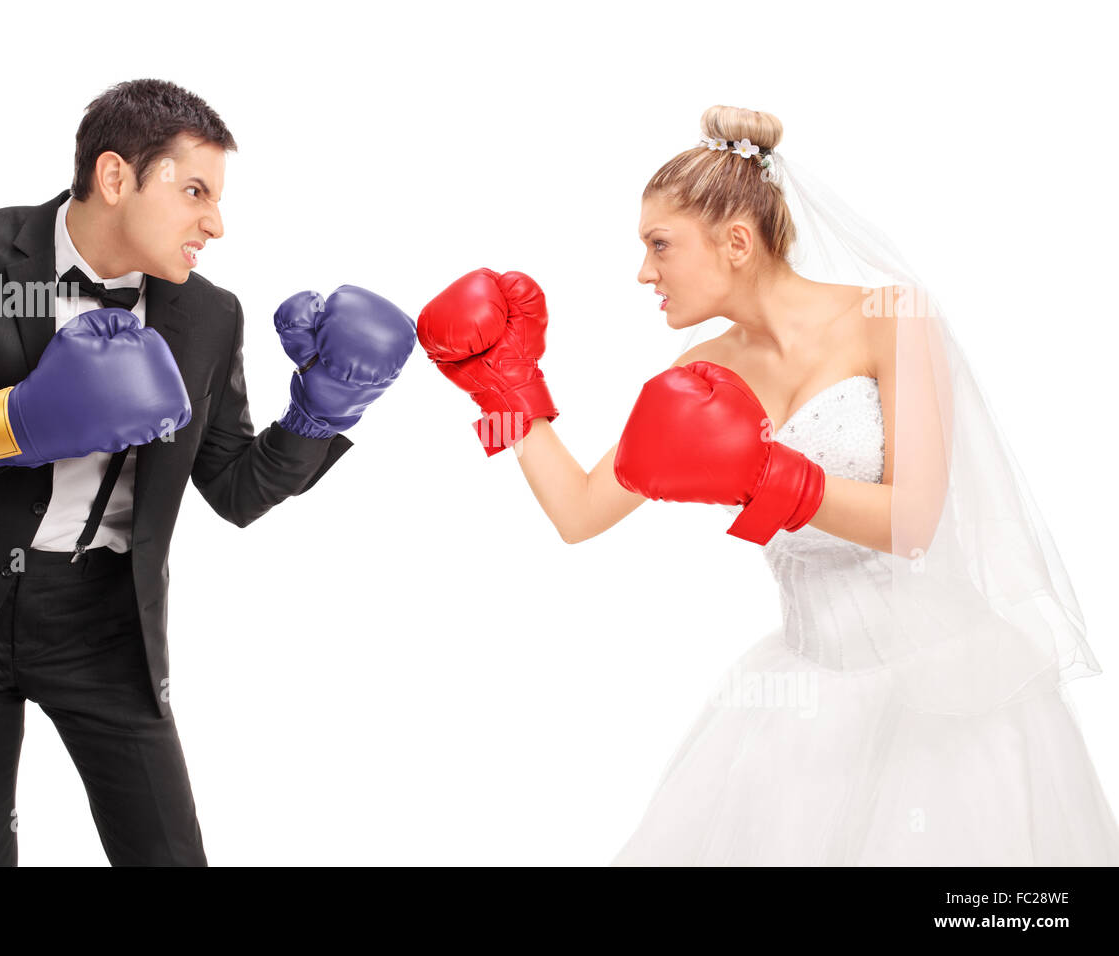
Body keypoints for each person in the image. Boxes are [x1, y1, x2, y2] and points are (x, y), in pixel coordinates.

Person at [416, 104, 1119, 865]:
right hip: (808, 697)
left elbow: (914, 520)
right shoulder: (699, 373)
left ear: (738, 243)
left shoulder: (890, 317)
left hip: (945, 696)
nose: (643, 272)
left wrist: (764, 473)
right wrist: (510, 392)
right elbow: (581, 512)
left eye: (660, 246)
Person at [0, 78, 415, 866]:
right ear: (115, 178)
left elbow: (235, 491)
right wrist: (10, 424)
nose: (215, 222)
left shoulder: (209, 315)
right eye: (193, 192)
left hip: (103, 624)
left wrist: (317, 416)